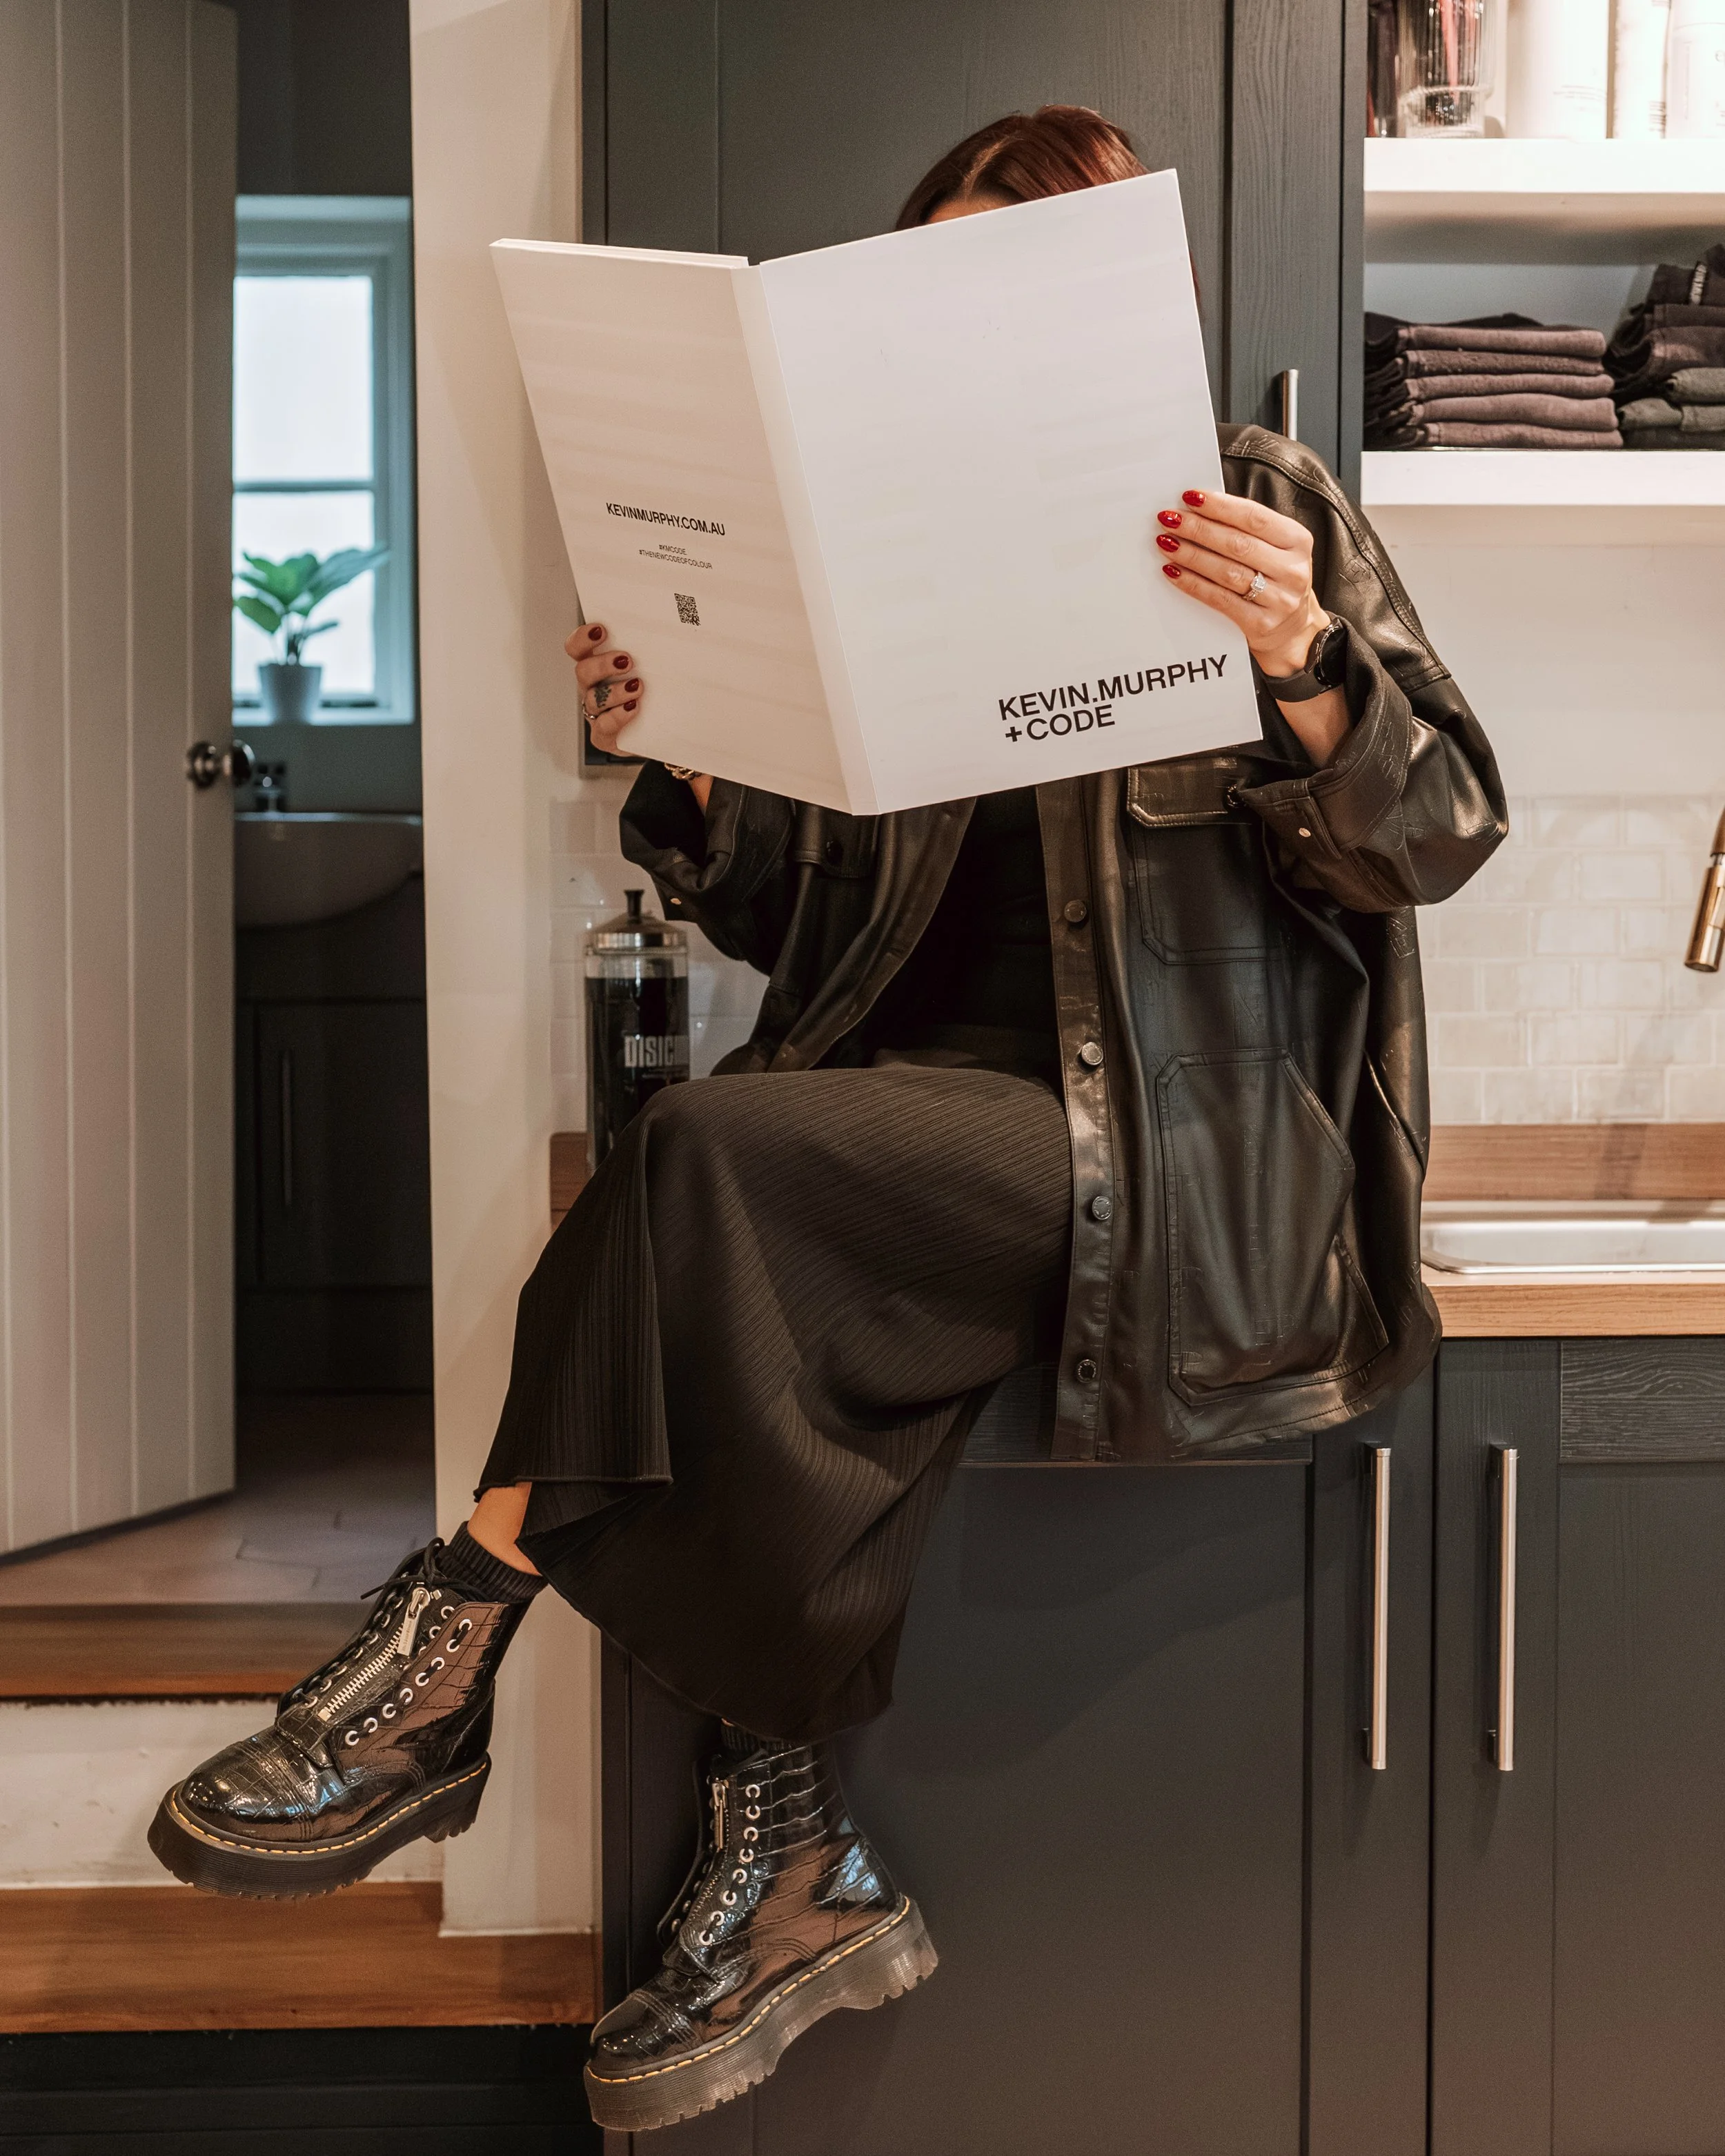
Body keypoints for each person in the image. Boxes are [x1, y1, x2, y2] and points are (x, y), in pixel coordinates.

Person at [149, 105, 1504, 2134]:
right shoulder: (872, 536)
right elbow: (800, 922)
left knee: (700, 1149)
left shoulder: (1252, 496)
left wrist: (1303, 664)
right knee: (719, 1168)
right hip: (900, 1129)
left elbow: (1440, 833)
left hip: (1155, 1161)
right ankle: (783, 1855)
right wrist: (688, 762)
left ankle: (449, 1636)